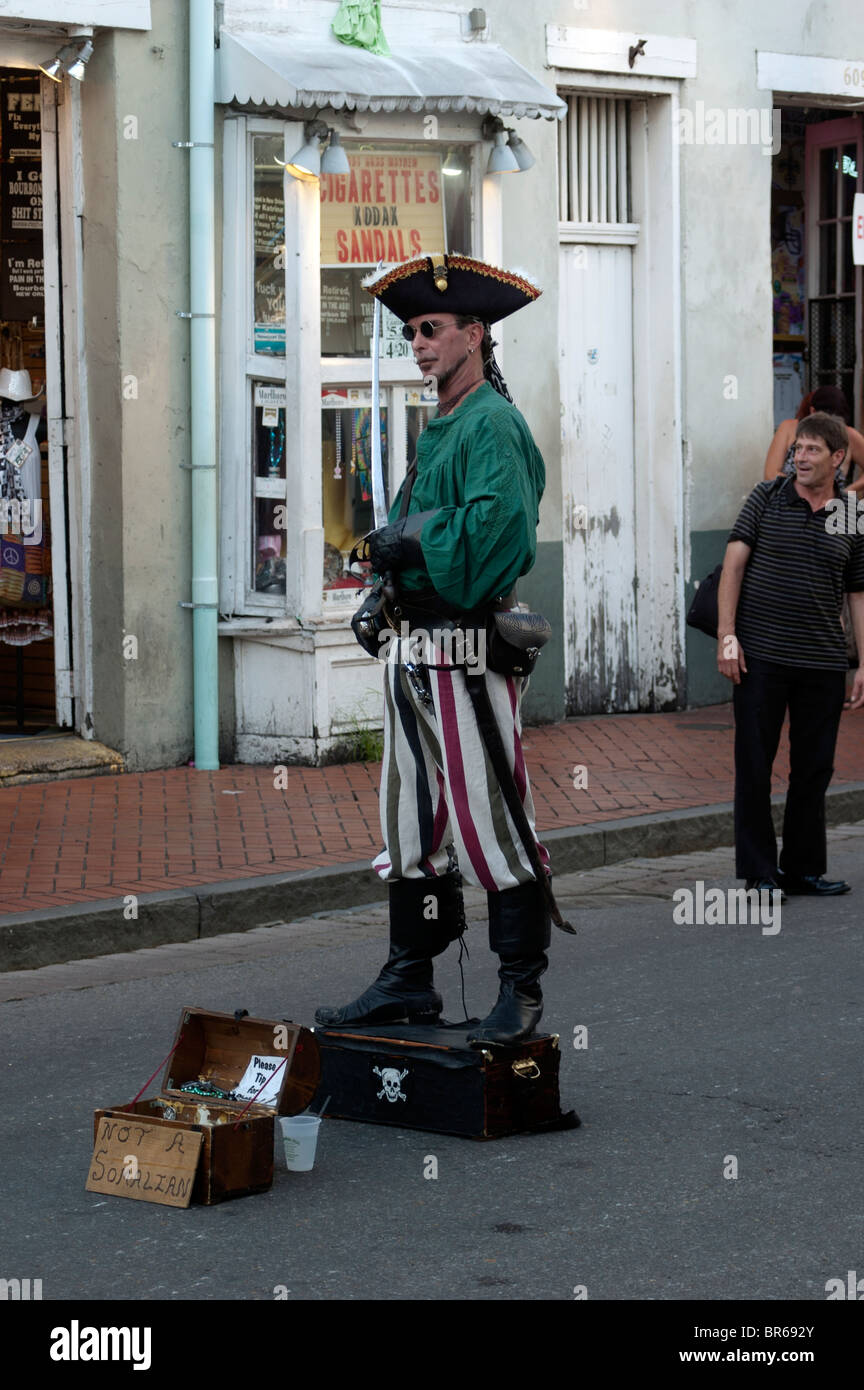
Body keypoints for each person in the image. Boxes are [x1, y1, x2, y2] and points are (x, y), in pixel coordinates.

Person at [315, 253, 555, 1046]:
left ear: (474, 335)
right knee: (410, 824)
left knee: (492, 821)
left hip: (469, 650)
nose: (417, 344)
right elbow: (415, 531)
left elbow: (500, 535)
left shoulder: (494, 424)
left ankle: (521, 993)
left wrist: (405, 541)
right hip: (413, 652)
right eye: (411, 331)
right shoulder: (442, 424)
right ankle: (409, 979)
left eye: (431, 329)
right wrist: (383, 584)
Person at [718, 411, 864, 898]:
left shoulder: (849, 515)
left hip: (822, 662)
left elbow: (858, 594)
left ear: (837, 458)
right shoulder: (767, 497)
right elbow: (733, 565)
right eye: (796, 449)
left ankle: (802, 869)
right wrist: (726, 636)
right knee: (755, 764)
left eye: (812, 450)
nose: (799, 457)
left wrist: (862, 663)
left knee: (814, 768)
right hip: (760, 658)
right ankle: (760, 874)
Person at [764, 385, 864, 492]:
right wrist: (802, 493)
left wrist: (848, 492)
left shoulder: (849, 435)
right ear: (812, 411)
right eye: (798, 448)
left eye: (836, 423)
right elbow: (770, 474)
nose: (829, 428)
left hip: (829, 504)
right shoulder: (788, 428)